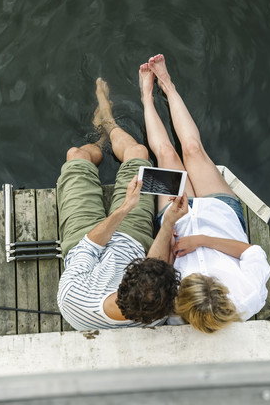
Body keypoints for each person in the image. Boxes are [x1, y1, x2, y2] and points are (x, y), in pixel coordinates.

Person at [139, 54, 270, 333]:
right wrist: (204, 240)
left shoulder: (173, 310)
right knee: (193, 149)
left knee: (166, 154)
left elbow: (158, 266)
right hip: (220, 210)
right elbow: (252, 252)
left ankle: (147, 97)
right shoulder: (249, 295)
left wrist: (172, 225)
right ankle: (168, 84)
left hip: (176, 217)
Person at [56, 77, 182, 330]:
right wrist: (168, 222)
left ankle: (103, 135)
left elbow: (90, 245)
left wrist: (125, 207)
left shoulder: (73, 295)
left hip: (82, 241)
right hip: (133, 238)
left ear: (121, 283)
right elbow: (156, 266)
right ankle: (109, 125)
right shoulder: (158, 311)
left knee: (76, 155)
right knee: (138, 154)